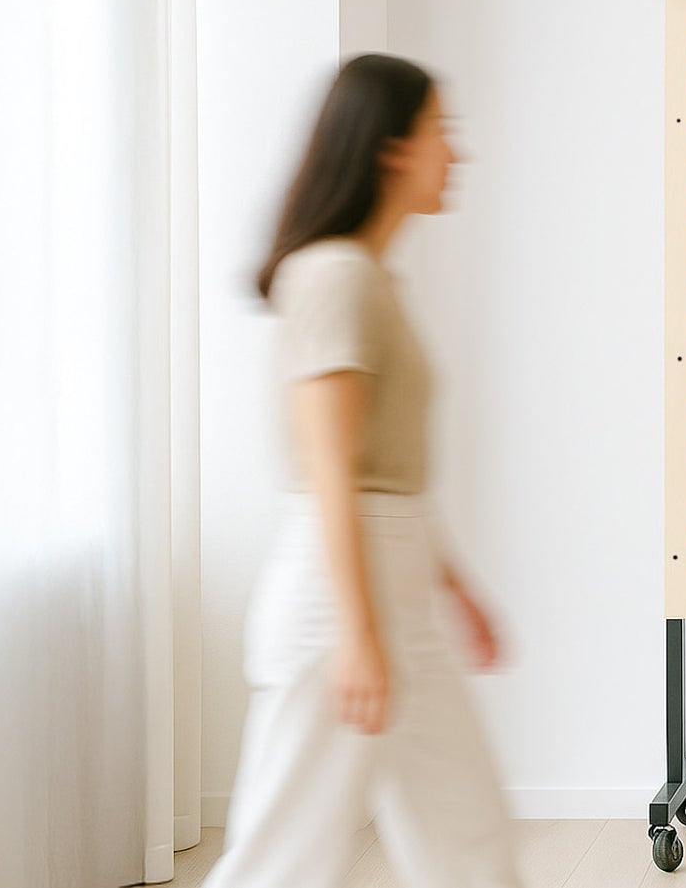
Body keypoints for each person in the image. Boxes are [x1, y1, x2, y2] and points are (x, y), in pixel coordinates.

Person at [207, 55, 521, 888]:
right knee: (280, 862)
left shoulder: (370, 278)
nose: (456, 152)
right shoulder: (333, 277)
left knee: (471, 839)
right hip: (333, 608)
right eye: (440, 130)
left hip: (395, 595)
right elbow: (331, 471)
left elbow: (390, 476)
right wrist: (357, 632)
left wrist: (453, 587)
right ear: (390, 148)